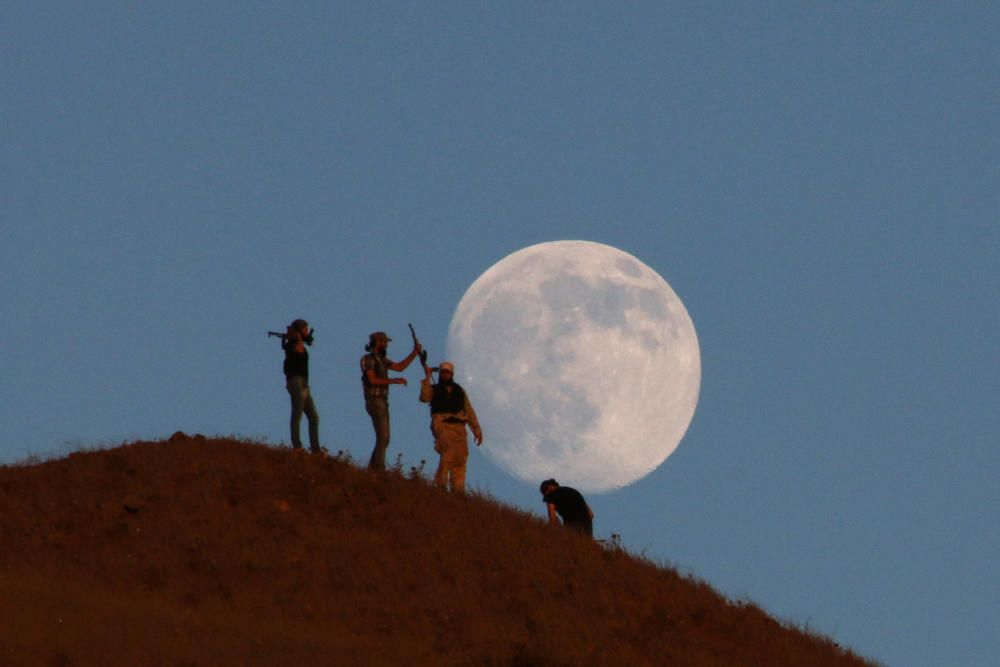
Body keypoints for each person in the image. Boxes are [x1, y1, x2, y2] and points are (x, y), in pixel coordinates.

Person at [419, 361, 483, 493]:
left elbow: (468, 410)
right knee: (448, 452)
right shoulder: (434, 389)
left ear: (451, 374)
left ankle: (458, 491)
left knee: (460, 459)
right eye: (442, 372)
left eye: (447, 372)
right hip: (441, 424)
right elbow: (424, 398)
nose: (444, 375)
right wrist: (427, 377)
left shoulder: (459, 391)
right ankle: (440, 485)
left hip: (459, 427)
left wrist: (476, 429)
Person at [360, 330, 421, 471]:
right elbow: (372, 379)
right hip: (375, 400)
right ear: (378, 342)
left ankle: (372, 469)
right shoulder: (368, 359)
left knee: (384, 438)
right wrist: (393, 381)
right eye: (385, 342)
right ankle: (379, 470)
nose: (387, 345)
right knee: (384, 436)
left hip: (382, 401)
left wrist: (414, 354)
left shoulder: (382, 360)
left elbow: (399, 367)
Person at [280, 318, 320, 453]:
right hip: (296, 382)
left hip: (303, 383)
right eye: (305, 329)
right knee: (297, 414)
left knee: (314, 417)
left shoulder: (296, 342)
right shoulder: (293, 343)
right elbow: (299, 350)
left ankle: (316, 449)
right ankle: (297, 446)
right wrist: (298, 338)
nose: (307, 332)